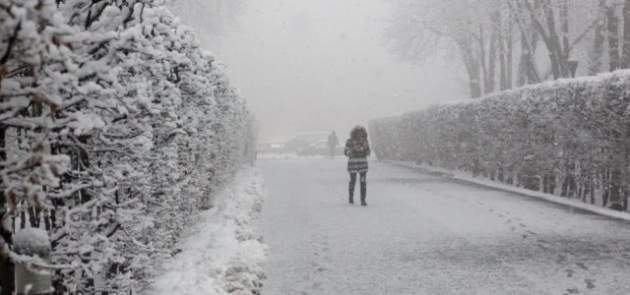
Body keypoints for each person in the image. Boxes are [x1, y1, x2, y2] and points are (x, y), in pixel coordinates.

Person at [344, 126, 370, 206]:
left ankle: (363, 200)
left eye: (361, 134)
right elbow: (346, 151)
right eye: (358, 133)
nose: (360, 135)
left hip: (362, 165)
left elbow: (368, 152)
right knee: (353, 181)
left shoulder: (365, 142)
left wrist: (365, 150)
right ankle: (351, 198)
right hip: (353, 164)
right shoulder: (350, 141)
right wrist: (352, 151)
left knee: (363, 182)